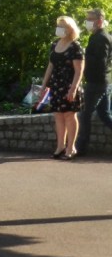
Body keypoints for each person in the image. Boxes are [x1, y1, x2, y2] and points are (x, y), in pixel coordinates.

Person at [40, 15, 84, 160]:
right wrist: (44, 85)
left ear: (69, 29)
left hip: (69, 85)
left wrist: (73, 89)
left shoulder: (75, 46)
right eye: (58, 25)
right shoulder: (55, 44)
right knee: (58, 115)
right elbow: (50, 66)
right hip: (56, 85)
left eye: (62, 26)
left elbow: (79, 71)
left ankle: (71, 147)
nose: (59, 29)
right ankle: (60, 146)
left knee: (69, 115)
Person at [75, 8, 112, 157]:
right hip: (102, 81)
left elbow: (101, 62)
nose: (87, 22)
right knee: (104, 114)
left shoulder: (101, 38)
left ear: (99, 21)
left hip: (96, 83)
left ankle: (81, 147)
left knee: (85, 114)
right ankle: (81, 147)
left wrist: (85, 57)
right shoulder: (99, 36)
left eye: (90, 19)